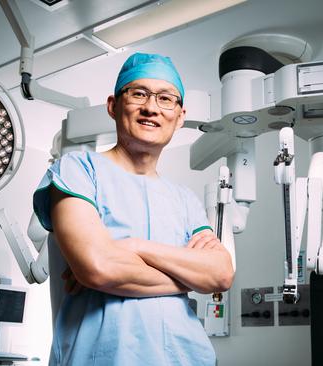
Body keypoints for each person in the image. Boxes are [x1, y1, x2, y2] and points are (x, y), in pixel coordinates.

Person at [32, 52, 235, 365]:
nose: (151, 107)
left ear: (180, 116)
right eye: (139, 93)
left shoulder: (184, 199)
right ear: (114, 106)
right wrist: (190, 279)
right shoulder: (77, 170)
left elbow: (221, 274)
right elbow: (99, 268)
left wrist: (133, 247)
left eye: (166, 98)